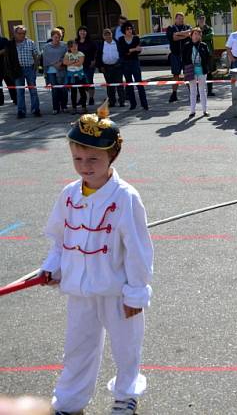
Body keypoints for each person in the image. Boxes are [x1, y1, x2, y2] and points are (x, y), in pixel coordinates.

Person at [41, 102, 153, 415]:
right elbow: (59, 241)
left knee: (126, 347)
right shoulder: (68, 194)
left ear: (111, 157)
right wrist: (53, 268)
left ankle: (125, 395)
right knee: (77, 349)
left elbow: (138, 250)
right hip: (79, 290)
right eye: (78, 158)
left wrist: (135, 292)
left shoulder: (125, 196)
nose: (85, 165)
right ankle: (69, 400)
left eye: (94, 158)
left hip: (118, 292)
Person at [7, 25, 42, 118]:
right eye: (19, 33)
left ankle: (35, 110)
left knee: (33, 90)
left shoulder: (30, 42)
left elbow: (36, 55)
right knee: (19, 92)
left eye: (23, 33)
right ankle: (21, 111)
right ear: (15, 33)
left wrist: (36, 66)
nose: (22, 35)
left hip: (29, 69)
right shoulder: (11, 44)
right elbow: (8, 57)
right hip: (17, 70)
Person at [182, 27, 212, 118]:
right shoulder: (187, 45)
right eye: (195, 34)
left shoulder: (203, 45)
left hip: (202, 70)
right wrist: (184, 71)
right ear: (191, 35)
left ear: (200, 36)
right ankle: (192, 111)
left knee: (202, 90)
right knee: (193, 90)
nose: (196, 36)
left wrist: (208, 68)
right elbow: (184, 59)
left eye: (198, 34)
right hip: (191, 70)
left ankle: (205, 110)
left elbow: (207, 58)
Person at [117, 23, 148, 111]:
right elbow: (123, 52)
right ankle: (133, 104)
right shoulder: (121, 39)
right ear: (124, 30)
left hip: (135, 62)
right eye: (127, 29)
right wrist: (133, 49)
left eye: (131, 28)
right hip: (125, 63)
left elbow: (138, 51)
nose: (129, 30)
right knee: (129, 84)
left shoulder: (136, 38)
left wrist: (131, 51)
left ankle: (144, 104)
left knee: (139, 83)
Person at [166, 12, 191, 103]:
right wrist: (184, 35)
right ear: (175, 19)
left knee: (188, 74)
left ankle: (193, 93)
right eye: (179, 18)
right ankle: (174, 94)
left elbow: (189, 34)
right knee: (175, 75)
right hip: (175, 55)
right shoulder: (170, 28)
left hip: (186, 55)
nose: (181, 20)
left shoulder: (187, 26)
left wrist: (178, 34)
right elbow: (173, 38)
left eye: (182, 18)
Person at [42, 28, 68, 115]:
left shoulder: (64, 45)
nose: (57, 39)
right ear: (52, 37)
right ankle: (55, 108)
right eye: (55, 37)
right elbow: (45, 58)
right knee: (54, 90)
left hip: (62, 70)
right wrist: (54, 64)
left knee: (63, 89)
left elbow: (67, 56)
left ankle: (64, 106)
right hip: (51, 71)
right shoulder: (46, 46)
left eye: (59, 37)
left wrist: (60, 63)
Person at [100, 28, 125, 107]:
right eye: (105, 34)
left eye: (109, 34)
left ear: (112, 34)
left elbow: (122, 54)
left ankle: (122, 101)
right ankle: (112, 101)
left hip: (117, 67)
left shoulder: (117, 43)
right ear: (103, 36)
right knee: (110, 86)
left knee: (119, 85)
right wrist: (101, 66)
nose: (107, 36)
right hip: (106, 68)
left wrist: (120, 63)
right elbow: (98, 56)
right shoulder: (101, 44)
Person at [63, 40, 88, 114]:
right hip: (71, 76)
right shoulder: (67, 54)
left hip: (80, 76)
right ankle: (74, 108)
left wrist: (70, 63)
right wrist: (74, 62)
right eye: (72, 46)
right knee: (73, 92)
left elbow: (80, 63)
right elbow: (64, 62)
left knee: (82, 92)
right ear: (69, 47)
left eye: (75, 46)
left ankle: (84, 107)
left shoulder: (81, 54)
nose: (74, 47)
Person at [76, 26, 97, 106]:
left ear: (87, 33)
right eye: (81, 31)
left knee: (89, 82)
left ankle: (91, 98)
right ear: (78, 33)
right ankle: (82, 97)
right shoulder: (76, 42)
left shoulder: (91, 42)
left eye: (84, 31)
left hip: (89, 65)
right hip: (79, 66)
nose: (82, 32)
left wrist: (94, 61)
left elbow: (96, 52)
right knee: (80, 82)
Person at [196, 14, 216, 96]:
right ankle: (198, 92)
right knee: (198, 73)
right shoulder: (195, 29)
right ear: (197, 19)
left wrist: (200, 37)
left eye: (203, 18)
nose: (201, 20)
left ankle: (210, 90)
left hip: (208, 53)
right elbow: (193, 38)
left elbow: (210, 36)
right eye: (200, 18)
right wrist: (202, 37)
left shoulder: (209, 28)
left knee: (209, 72)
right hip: (197, 53)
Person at [0, 32, 16, 107]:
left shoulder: (3, 40)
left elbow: (6, 50)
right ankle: (0, 101)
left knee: (11, 83)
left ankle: (15, 99)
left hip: (6, 66)